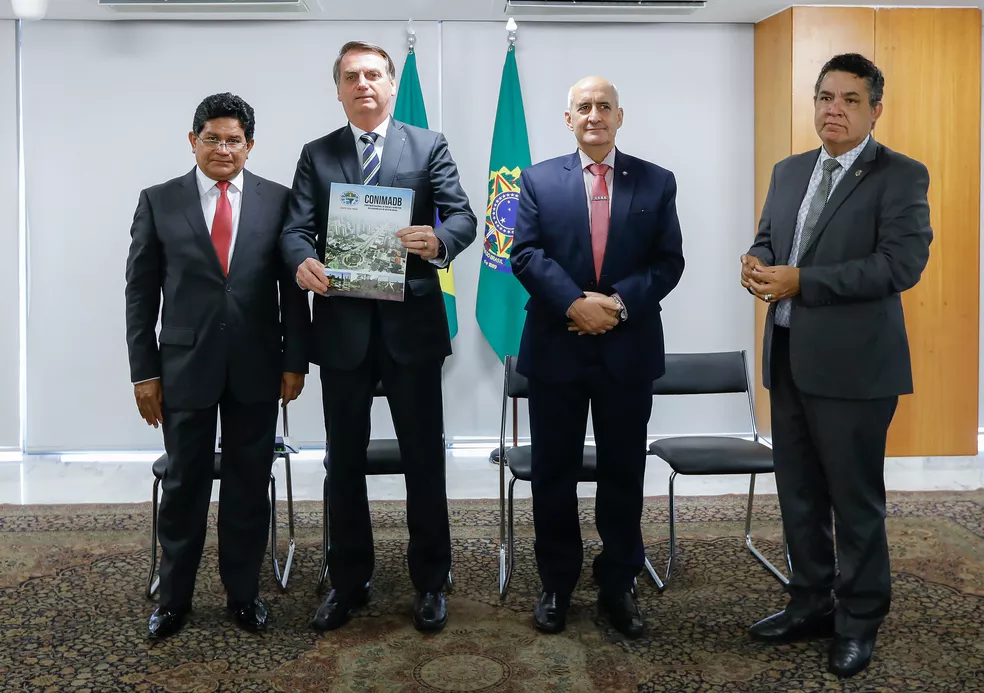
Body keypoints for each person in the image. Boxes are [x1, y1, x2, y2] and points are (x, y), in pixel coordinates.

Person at [741, 53, 932, 677]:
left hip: (855, 370)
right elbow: (771, 238)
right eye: (826, 97)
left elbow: (898, 266)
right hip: (790, 359)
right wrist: (757, 262)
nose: (834, 109)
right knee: (798, 496)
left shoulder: (900, 176)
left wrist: (803, 281)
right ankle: (809, 603)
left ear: (876, 108)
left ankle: (859, 619)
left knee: (854, 502)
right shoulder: (789, 169)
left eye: (850, 99)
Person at [281, 41, 477, 633]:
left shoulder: (428, 145)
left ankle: (430, 580)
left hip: (411, 328)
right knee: (342, 461)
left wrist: (438, 242)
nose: (363, 84)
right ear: (337, 89)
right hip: (341, 328)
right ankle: (347, 579)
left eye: (373, 75)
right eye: (351, 76)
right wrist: (301, 263)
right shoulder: (318, 155)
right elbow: (296, 229)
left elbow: (463, 215)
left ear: (391, 85)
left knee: (423, 457)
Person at [125, 93, 310, 639]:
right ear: (193, 141)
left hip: (259, 365)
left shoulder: (279, 202)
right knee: (184, 487)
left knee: (249, 486)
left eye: (234, 140)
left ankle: (243, 594)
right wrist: (144, 373)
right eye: (213, 138)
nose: (223, 148)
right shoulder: (159, 201)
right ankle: (174, 598)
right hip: (184, 368)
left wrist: (295, 360)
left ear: (249, 147)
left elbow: (293, 294)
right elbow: (140, 295)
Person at [510, 76, 685, 639]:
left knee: (623, 472)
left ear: (619, 115)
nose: (594, 115)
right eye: (583, 107)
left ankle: (618, 584)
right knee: (553, 473)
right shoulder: (536, 180)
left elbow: (668, 262)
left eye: (603, 106)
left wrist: (615, 303)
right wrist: (574, 304)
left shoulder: (656, 182)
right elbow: (525, 255)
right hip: (557, 349)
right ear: (568, 119)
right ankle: (556, 583)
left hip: (627, 350)